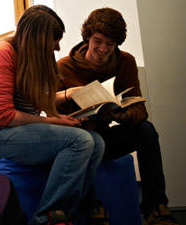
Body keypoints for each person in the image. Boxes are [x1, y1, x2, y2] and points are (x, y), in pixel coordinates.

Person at [0, 5, 105, 225]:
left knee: (97, 142)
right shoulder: (1, 52)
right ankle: (47, 218)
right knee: (80, 141)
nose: (57, 47)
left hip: (16, 132)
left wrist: (67, 103)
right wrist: (54, 121)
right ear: (38, 38)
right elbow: (4, 115)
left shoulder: (30, 57)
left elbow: (34, 100)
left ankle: (67, 213)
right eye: (54, 40)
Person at [57, 8, 179, 225]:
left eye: (110, 44)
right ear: (87, 37)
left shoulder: (125, 62)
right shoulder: (64, 67)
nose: (103, 49)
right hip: (80, 140)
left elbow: (139, 109)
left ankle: (155, 208)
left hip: (107, 138)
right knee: (82, 140)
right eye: (98, 41)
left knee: (146, 130)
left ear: (117, 44)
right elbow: (53, 113)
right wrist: (78, 119)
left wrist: (122, 115)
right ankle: (92, 209)